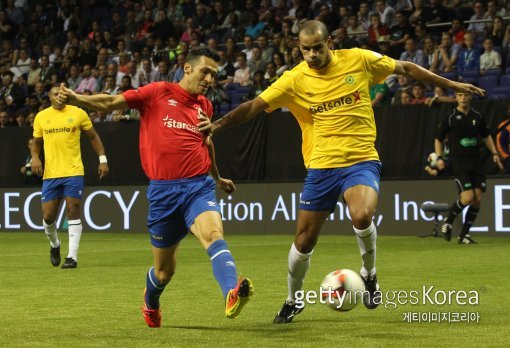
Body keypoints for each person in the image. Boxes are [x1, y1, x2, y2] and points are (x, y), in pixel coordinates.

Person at [210, 20, 484, 324]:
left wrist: (452, 84)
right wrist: (218, 125)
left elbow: (405, 68)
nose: (312, 55)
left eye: (317, 48)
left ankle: (369, 274)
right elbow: (253, 106)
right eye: (306, 50)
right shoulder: (294, 79)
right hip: (322, 166)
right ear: (298, 49)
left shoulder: (359, 59)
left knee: (362, 215)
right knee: (303, 241)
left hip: (361, 159)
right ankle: (293, 299)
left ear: (331, 44)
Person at [57, 47, 253, 328]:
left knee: (213, 235)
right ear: (187, 68)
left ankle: (231, 294)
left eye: (213, 74)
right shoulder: (157, 92)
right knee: (163, 272)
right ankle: (150, 301)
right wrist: (77, 98)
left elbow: (205, 144)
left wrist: (217, 177)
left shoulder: (204, 107)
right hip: (163, 192)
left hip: (198, 186)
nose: (210, 79)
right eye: (205, 72)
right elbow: (111, 102)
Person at [31, 86, 110, 269]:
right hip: (51, 174)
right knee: (48, 217)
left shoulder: (78, 113)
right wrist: (35, 157)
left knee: (73, 209)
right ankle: (54, 244)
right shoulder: (41, 117)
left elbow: (93, 137)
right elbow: (36, 143)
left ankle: (72, 257)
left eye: (62, 94)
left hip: (73, 171)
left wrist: (103, 160)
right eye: (55, 94)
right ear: (49, 98)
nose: (59, 97)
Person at [436, 92, 503, 244]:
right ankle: (448, 221)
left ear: (471, 97)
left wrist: (494, 152)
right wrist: (439, 157)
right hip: (459, 162)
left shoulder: (477, 116)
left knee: (477, 199)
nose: (463, 98)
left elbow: (486, 135)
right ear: (456, 98)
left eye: (466, 95)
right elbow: (438, 139)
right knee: (468, 197)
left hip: (476, 161)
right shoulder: (451, 117)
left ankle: (464, 235)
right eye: (460, 95)